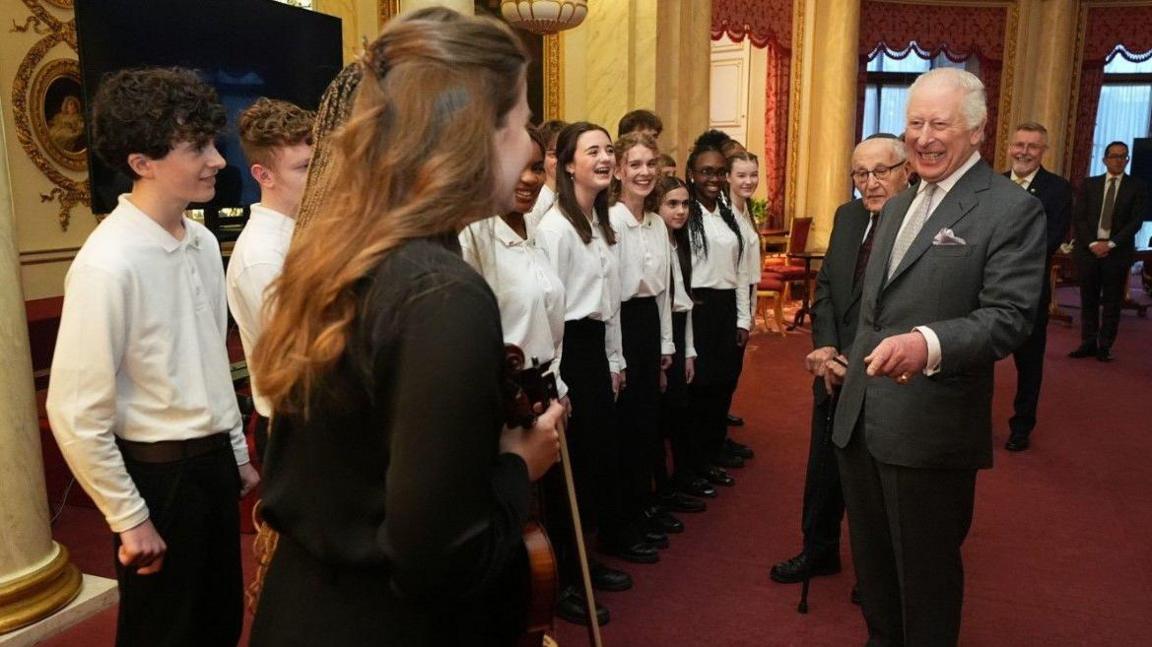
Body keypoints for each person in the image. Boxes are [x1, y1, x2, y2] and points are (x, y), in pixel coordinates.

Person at [248, 10, 562, 644]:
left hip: (309, 606)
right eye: (524, 122)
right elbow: (436, 558)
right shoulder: (442, 291)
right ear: (479, 134)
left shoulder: (345, 248)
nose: (532, 146)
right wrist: (518, 466)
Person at [831, 68, 1045, 646]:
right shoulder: (899, 206)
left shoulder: (1010, 209)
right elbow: (873, 310)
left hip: (930, 429)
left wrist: (925, 343)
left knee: (924, 581)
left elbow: (1009, 317)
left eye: (938, 124)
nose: (922, 137)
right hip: (859, 420)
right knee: (874, 573)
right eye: (914, 124)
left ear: (976, 130)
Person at [46, 67, 259, 647]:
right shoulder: (107, 263)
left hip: (212, 466)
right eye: (198, 147)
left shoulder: (201, 243)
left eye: (213, 143)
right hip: (159, 479)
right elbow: (75, 412)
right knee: (162, 633)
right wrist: (128, 516)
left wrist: (235, 452)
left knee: (216, 624)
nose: (218, 159)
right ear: (141, 162)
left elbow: (211, 364)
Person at [770, 134, 909, 594]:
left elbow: (911, 309)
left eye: (881, 172)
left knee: (875, 480)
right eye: (860, 174)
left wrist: (858, 359)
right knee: (824, 468)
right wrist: (827, 348)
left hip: (885, 372)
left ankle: (876, 571)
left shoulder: (919, 223)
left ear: (905, 171)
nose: (870, 184)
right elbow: (827, 289)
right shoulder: (848, 217)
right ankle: (819, 549)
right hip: (833, 372)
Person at [536, 121, 660, 620]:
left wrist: (615, 360)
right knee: (570, 471)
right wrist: (560, 383)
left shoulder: (601, 222)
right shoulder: (554, 229)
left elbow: (609, 304)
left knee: (596, 462)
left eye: (610, 150)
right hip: (567, 356)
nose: (606, 159)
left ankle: (584, 561)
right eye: (594, 152)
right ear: (568, 164)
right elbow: (551, 313)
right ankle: (565, 580)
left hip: (596, 351)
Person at [227, 98, 314, 459]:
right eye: (304, 167)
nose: (319, 177)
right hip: (294, 430)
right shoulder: (262, 257)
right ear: (264, 175)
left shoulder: (300, 234)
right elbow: (297, 363)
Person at [607, 132, 681, 544]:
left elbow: (665, 291)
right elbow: (611, 297)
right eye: (634, 164)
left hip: (650, 325)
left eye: (650, 164)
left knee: (649, 423)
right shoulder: (611, 222)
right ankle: (622, 520)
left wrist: (667, 344)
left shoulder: (655, 222)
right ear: (618, 171)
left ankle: (643, 505)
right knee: (627, 426)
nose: (644, 172)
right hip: (621, 327)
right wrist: (616, 356)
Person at [683, 130, 751, 490]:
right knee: (699, 391)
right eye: (706, 172)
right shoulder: (685, 212)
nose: (714, 178)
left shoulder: (728, 213)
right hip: (698, 307)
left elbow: (740, 269)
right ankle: (694, 463)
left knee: (722, 385)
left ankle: (712, 454)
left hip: (725, 308)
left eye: (719, 171)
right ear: (692, 173)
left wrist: (743, 317)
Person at [1002, 122, 1073, 451]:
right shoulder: (993, 185)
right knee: (974, 361)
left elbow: (1050, 239)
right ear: (1009, 147)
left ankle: (1021, 426)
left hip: (1028, 293)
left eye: (1032, 146)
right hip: (983, 291)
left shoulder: (1057, 189)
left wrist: (999, 253)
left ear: (1043, 151)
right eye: (1019, 144)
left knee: (1029, 364)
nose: (1024, 152)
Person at [651, 175, 711, 510]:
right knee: (660, 418)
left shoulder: (680, 241)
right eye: (672, 204)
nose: (681, 211)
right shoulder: (656, 241)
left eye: (685, 204)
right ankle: (661, 490)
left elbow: (684, 304)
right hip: (659, 334)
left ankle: (676, 481)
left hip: (675, 331)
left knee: (677, 410)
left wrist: (688, 351)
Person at [1069, 140, 1149, 363]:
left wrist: (1111, 244)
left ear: (1127, 160)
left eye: (1123, 156)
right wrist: (1093, 244)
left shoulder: (1137, 186)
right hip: (1089, 250)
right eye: (1114, 156)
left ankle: (1104, 346)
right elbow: (1079, 218)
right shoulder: (1089, 184)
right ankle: (1088, 342)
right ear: (1104, 160)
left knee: (1112, 302)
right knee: (1089, 298)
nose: (1118, 160)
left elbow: (1135, 222)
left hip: (1117, 251)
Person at [723, 150, 762, 461]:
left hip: (746, 294)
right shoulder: (725, 213)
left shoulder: (746, 209)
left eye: (753, 175)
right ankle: (717, 439)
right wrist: (741, 317)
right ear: (728, 178)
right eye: (742, 175)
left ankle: (720, 431)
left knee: (732, 372)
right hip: (730, 299)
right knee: (725, 373)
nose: (748, 181)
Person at [525, 119, 568, 231]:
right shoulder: (537, 198)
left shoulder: (567, 195)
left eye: (565, 153)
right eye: (553, 154)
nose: (560, 160)